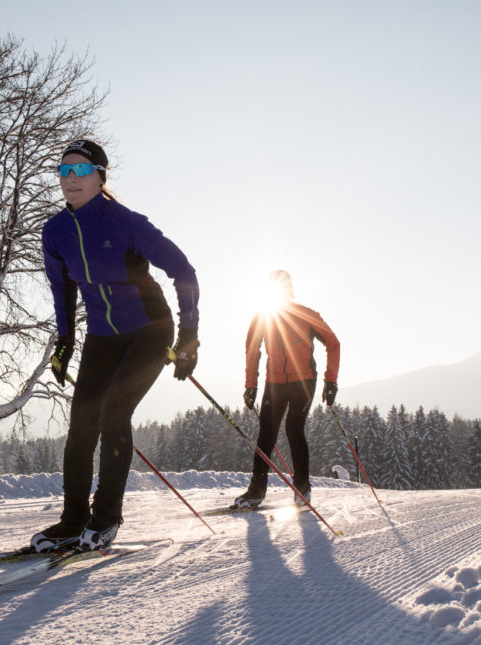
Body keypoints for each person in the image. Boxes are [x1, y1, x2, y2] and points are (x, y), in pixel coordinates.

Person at [33, 139, 200, 552]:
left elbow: (184, 270)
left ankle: (107, 516)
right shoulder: (55, 232)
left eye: (81, 171)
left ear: (100, 176)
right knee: (81, 425)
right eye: (63, 171)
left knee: (113, 412)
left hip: (149, 330)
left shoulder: (126, 223)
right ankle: (73, 521)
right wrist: (64, 343)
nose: (70, 180)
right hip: (103, 337)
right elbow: (62, 291)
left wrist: (189, 338)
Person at [235, 270, 339, 509]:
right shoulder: (261, 318)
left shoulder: (306, 315)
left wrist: (330, 380)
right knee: (266, 434)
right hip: (275, 382)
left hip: (304, 382)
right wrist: (250, 386)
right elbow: (252, 351)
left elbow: (333, 343)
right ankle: (256, 491)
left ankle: (302, 490)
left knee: (294, 428)